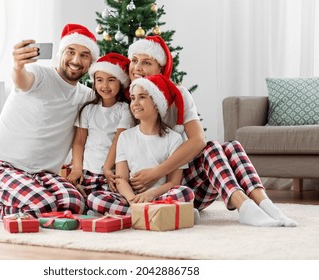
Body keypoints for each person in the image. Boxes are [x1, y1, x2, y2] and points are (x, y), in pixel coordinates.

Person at [126, 35, 297, 227]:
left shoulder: (179, 95)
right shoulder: (129, 100)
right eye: (134, 60)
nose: (137, 68)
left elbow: (198, 141)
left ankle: (263, 204)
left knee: (229, 146)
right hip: (160, 192)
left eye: (146, 62)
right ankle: (245, 206)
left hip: (184, 183)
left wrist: (157, 171)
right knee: (215, 147)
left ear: (160, 68)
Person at [0, 23, 100, 221]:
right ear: (61, 53)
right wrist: (17, 65)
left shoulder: (86, 96)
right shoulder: (41, 75)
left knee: (75, 203)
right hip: (0, 166)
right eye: (71, 51)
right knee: (42, 205)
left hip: (42, 175)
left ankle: (28, 203)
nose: (76, 60)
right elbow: (22, 79)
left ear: (91, 62)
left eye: (84, 55)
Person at [87, 74, 195, 215]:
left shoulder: (174, 138)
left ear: (157, 103)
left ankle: (136, 214)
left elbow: (173, 183)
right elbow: (121, 179)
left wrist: (150, 195)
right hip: (132, 198)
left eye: (142, 97)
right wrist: (132, 200)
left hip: (160, 196)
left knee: (184, 193)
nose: (135, 103)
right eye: (133, 98)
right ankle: (149, 214)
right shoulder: (125, 137)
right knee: (94, 198)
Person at [67, 52, 134, 199]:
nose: (104, 86)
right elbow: (79, 142)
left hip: (110, 172)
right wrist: (77, 168)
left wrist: (107, 168)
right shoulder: (88, 109)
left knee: (103, 200)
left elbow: (118, 141)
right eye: (99, 80)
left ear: (120, 83)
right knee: (75, 200)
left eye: (111, 80)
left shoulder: (124, 109)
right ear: (94, 82)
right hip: (87, 172)